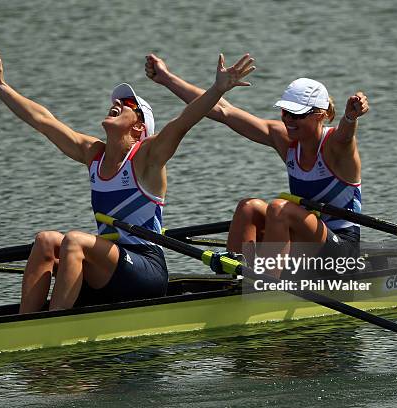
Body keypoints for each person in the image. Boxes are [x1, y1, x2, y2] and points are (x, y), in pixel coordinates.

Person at [0, 51, 255, 312]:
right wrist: (1, 87)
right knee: (46, 240)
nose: (117, 103)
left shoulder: (148, 157)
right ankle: (24, 325)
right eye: (116, 102)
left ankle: (51, 326)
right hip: (109, 267)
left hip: (146, 268)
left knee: (74, 240)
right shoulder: (92, 153)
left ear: (139, 127)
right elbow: (43, 120)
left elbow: (184, 121)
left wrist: (218, 88)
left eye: (128, 104)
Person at [145, 54, 369, 277]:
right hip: (305, 242)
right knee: (249, 207)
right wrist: (167, 78)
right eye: (285, 112)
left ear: (320, 115)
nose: (288, 120)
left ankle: (268, 284)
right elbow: (225, 111)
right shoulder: (285, 140)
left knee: (280, 209)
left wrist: (350, 118)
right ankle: (233, 280)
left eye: (296, 115)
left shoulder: (336, 147)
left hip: (341, 253)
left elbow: (345, 136)